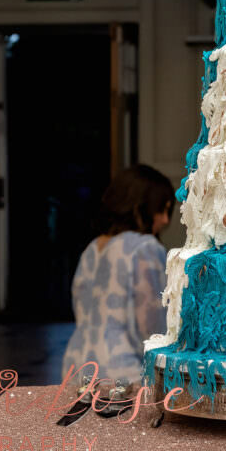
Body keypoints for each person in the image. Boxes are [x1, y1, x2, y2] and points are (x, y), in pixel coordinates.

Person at [61, 164, 173, 393]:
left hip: (75, 370)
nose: (164, 220)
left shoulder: (92, 248)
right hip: (122, 376)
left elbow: (80, 311)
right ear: (139, 207)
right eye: (161, 210)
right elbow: (152, 328)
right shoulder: (145, 248)